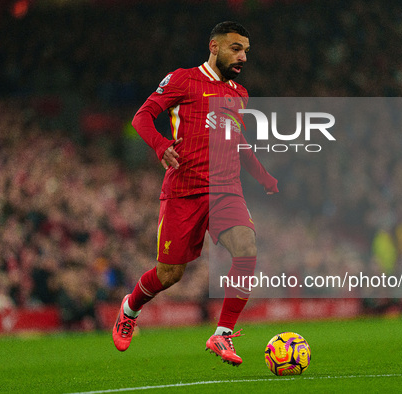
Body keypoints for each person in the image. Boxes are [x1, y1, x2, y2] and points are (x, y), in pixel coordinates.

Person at [112, 21, 278, 366]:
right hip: (184, 191)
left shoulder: (239, 94)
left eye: (246, 50)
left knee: (246, 248)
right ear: (214, 47)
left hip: (225, 190)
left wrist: (262, 175)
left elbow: (238, 140)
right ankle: (130, 308)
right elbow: (142, 117)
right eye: (236, 48)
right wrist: (160, 146)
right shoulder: (182, 80)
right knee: (169, 275)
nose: (243, 56)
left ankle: (223, 334)